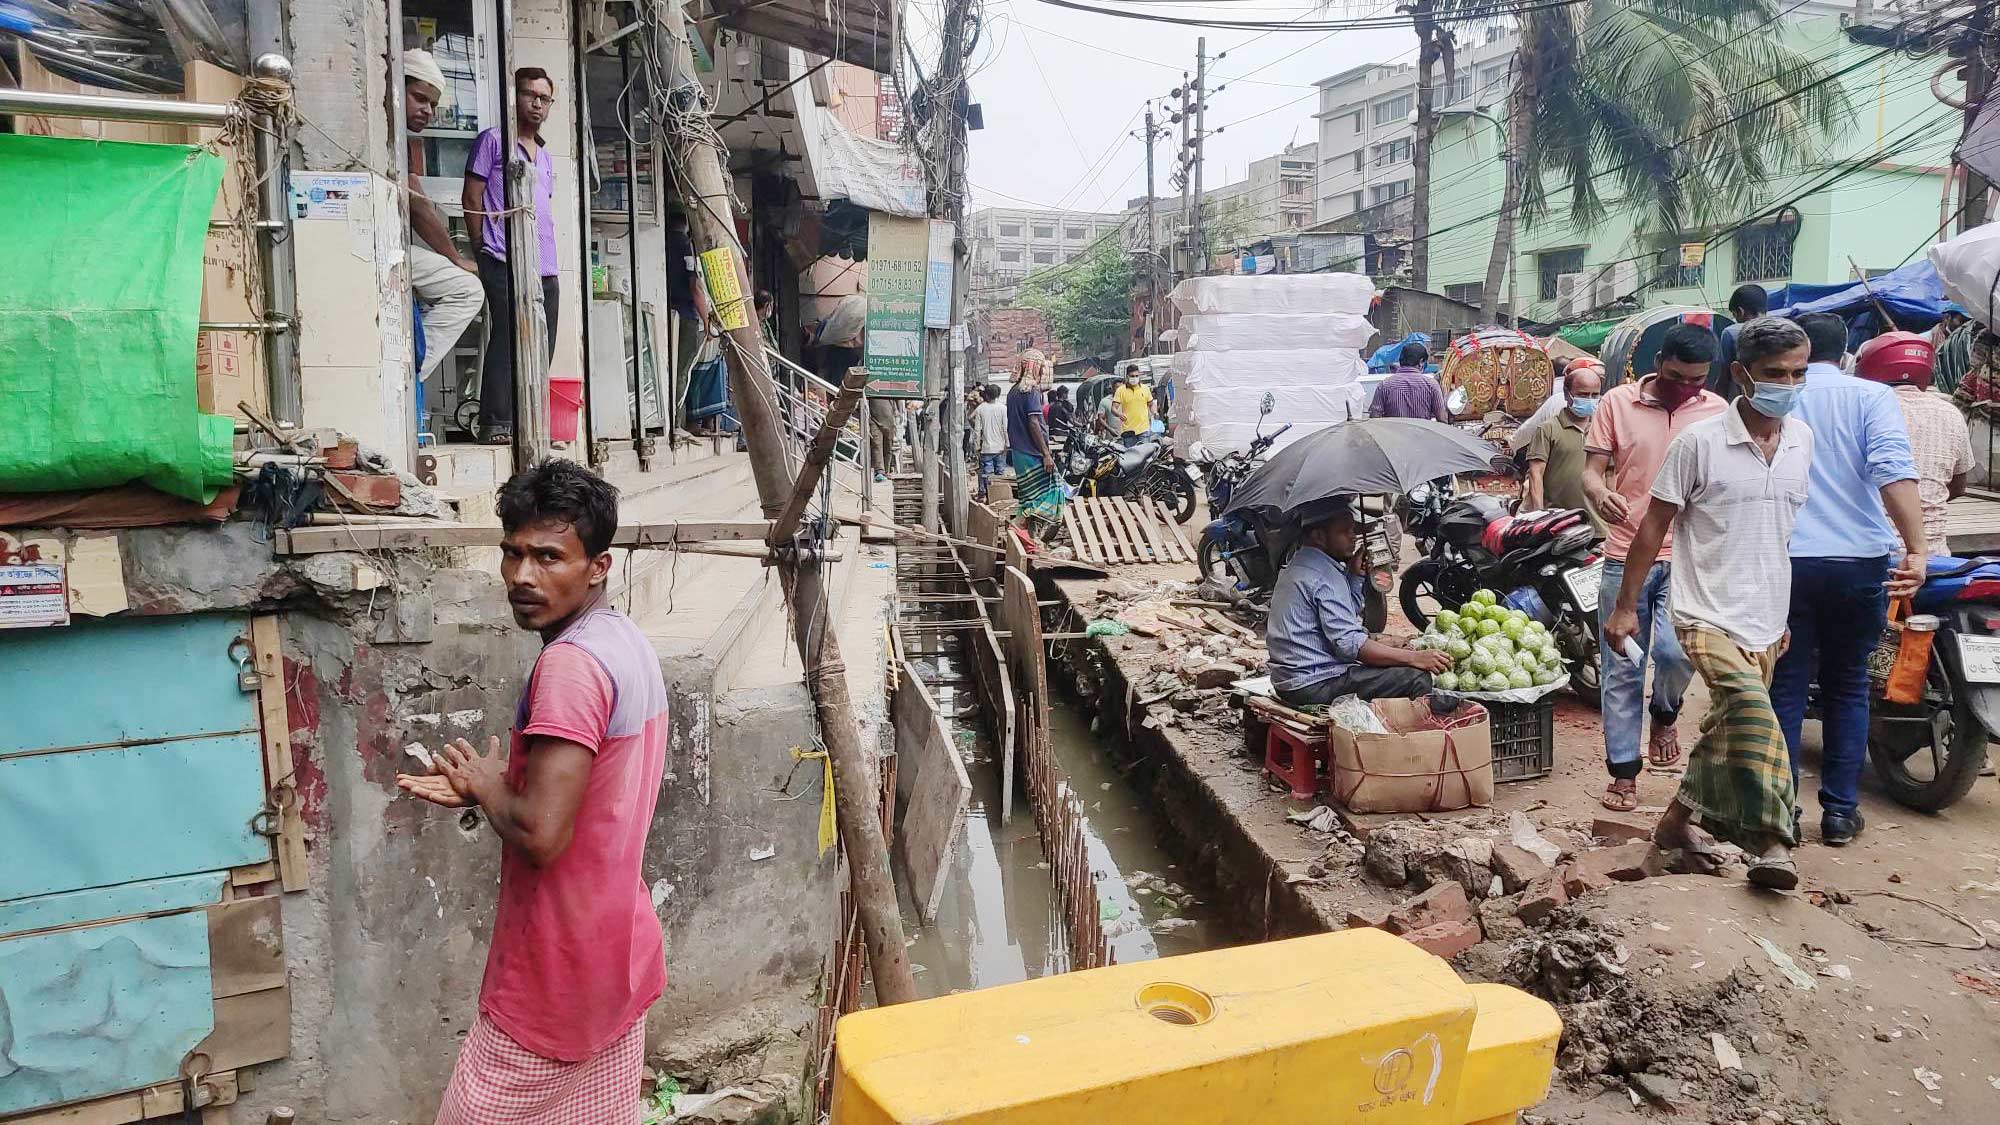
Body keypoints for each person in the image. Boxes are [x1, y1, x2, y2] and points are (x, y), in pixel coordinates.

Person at [397, 460, 668, 1124]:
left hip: (555, 976)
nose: (522, 575)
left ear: (598, 566)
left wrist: (492, 787)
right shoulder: (622, 640)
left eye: (549, 556)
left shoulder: (570, 666)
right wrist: (497, 789)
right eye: (512, 552)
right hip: (616, 957)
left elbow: (543, 834)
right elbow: (595, 793)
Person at [1604, 316, 1816, 889]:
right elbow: (1652, 528)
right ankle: (1773, 839)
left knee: (1724, 727)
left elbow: (1782, 533)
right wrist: (1626, 607)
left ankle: (1675, 823)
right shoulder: (1699, 443)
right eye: (1775, 373)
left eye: (1799, 372)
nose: (1789, 384)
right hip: (1702, 609)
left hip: (1766, 616)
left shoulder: (1802, 439)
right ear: (1742, 374)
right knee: (1753, 713)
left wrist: (1783, 614)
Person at [1768, 313, 1928, 847]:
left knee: (1786, 687)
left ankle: (1783, 812)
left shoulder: (1774, 396)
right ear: (1848, 353)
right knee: (1849, 686)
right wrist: (1916, 548)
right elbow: (1893, 470)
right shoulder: (1870, 398)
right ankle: (1839, 813)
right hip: (1858, 562)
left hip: (1787, 561)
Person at [1581, 324, 1729, 811]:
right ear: (1658, 362)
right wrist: (1601, 493)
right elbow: (1592, 470)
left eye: (1696, 380)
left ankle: (1666, 710)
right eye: (1675, 377)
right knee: (1621, 666)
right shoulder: (1616, 403)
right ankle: (1623, 771)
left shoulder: (1717, 411)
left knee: (1675, 652)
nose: (1686, 388)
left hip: (1689, 557)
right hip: (1625, 555)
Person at [1266, 503, 1452, 707]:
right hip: (1314, 684)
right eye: (1345, 531)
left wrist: (1354, 576)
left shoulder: (1304, 564)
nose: (1354, 536)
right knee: (1416, 678)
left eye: (1353, 530)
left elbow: (1345, 616)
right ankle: (1402, 736)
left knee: (1390, 663)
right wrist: (1414, 658)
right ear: (1319, 536)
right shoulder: (1322, 576)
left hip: (1293, 681)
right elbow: (1349, 645)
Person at [465, 68, 562, 445]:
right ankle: (496, 422)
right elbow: (471, 198)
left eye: (544, 98)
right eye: (529, 95)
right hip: (502, 257)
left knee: (543, 340)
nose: (536, 104)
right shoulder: (493, 141)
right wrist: (481, 251)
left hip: (545, 264)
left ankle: (530, 421)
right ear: (514, 97)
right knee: (508, 336)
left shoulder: (546, 155)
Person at [402, 50, 484, 388]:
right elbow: (418, 207)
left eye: (432, 104)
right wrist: (455, 258)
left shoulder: (401, 139)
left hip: (389, 249)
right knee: (467, 290)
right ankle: (410, 375)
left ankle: (410, 370)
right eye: (419, 98)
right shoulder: (388, 133)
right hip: (373, 252)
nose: (427, 110)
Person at [1855, 331, 1972, 557]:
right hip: (1936, 552)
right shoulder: (1950, 412)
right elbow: (1958, 487)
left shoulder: (1863, 408)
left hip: (1875, 554)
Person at [1522, 364, 1604, 530]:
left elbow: (1611, 474)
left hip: (1598, 526)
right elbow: (1536, 473)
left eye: (1594, 395)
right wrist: (1540, 515)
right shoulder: (1548, 429)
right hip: (1558, 524)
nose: (1589, 400)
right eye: (1582, 395)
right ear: (1567, 394)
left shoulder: (1603, 429)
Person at [666, 213, 717, 429]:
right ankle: (677, 424)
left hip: (665, 311)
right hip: (685, 316)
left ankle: (673, 422)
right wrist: (708, 322)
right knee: (682, 372)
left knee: (670, 369)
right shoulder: (686, 246)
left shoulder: (662, 242)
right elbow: (695, 287)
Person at [1007, 351, 1056, 507]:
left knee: (1027, 497)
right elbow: (1033, 423)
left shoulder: (1013, 391)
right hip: (1031, 452)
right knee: (1045, 495)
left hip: (1018, 451)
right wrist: (1046, 454)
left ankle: (1025, 528)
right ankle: (1032, 528)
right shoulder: (1031, 391)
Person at [1711, 284, 1768, 398]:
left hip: (1744, 399)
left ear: (1740, 311)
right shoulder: (1783, 329)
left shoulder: (1732, 332)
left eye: (1734, 314)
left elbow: (1725, 376)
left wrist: (1718, 401)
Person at [1369, 342, 1448, 421]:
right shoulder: (1431, 385)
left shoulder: (1385, 385)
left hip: (1392, 432)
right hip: (1422, 432)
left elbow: (1374, 417)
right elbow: (1442, 419)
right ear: (1421, 362)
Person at [972, 384, 1009, 501]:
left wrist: (977, 446)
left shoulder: (981, 408)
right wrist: (1007, 443)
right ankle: (998, 496)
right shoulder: (1003, 408)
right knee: (1000, 473)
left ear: (987, 395)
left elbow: (977, 430)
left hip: (986, 448)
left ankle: (986, 494)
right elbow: (1005, 428)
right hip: (1000, 447)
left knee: (985, 473)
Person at [1113, 364, 1153, 447]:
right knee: (1131, 457)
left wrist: (1154, 412)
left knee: (1144, 454)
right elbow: (1113, 408)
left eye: (1136, 376)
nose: (1135, 378)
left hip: (1144, 430)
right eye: (1132, 376)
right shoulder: (1121, 390)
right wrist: (1119, 414)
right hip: (1128, 431)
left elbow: (1150, 404)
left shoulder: (1145, 389)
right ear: (1127, 376)